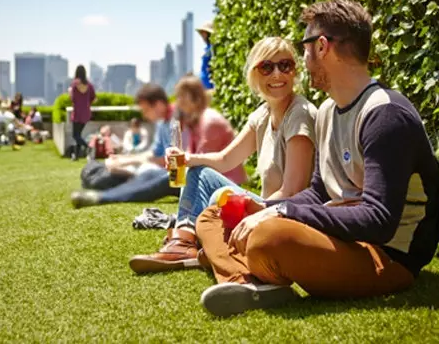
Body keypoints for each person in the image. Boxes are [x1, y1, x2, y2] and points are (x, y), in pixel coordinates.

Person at [195, 0, 439, 317]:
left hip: (385, 256)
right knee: (216, 214)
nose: (303, 59)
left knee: (269, 237)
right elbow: (318, 192)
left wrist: (282, 213)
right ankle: (249, 281)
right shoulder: (328, 110)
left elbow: (378, 221)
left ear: (322, 46)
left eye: (304, 48)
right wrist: (265, 207)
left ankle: (248, 270)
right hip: (339, 239)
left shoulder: (386, 114)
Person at [129, 38, 316, 274]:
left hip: (284, 214)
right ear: (255, 73)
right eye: (267, 67)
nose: (277, 74)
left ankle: (206, 244)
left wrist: (250, 208)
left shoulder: (299, 115)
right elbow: (226, 159)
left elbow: (292, 192)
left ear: (294, 71)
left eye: (285, 65)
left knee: (221, 195)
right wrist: (187, 159)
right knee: (198, 173)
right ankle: (184, 240)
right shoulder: (263, 114)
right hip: (266, 209)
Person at [71, 78, 247, 207]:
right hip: (198, 174)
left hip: (216, 183)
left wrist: (176, 164)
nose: (178, 103)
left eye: (184, 99)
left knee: (162, 177)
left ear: (197, 99)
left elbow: (205, 163)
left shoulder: (208, 121)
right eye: (178, 98)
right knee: (153, 176)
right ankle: (102, 189)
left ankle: (103, 197)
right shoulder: (189, 121)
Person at [69, 65, 96, 160]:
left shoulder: (74, 84)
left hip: (77, 113)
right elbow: (93, 98)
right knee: (78, 135)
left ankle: (88, 147)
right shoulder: (89, 85)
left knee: (75, 135)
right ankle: (76, 156)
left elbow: (72, 98)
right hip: (86, 113)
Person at [196, 21, 215, 90]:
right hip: (205, 86)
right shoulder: (208, 49)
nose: (201, 35)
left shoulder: (212, 48)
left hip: (210, 86)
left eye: (203, 33)